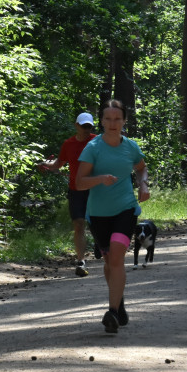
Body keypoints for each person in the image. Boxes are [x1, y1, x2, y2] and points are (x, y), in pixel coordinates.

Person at [75, 99, 150, 333]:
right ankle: (120, 301)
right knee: (109, 263)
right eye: (108, 118)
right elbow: (78, 183)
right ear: (102, 121)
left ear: (124, 121)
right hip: (98, 214)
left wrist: (143, 185)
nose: (113, 123)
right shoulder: (93, 148)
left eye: (117, 118)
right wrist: (99, 179)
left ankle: (112, 312)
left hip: (125, 209)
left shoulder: (130, 146)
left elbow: (141, 167)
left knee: (117, 257)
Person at [40, 112, 97, 276]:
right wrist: (45, 164)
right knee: (79, 224)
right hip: (76, 190)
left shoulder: (97, 141)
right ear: (76, 126)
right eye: (84, 126)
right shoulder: (68, 144)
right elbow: (59, 164)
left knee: (96, 223)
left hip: (95, 188)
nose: (87, 129)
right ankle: (81, 261)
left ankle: (101, 246)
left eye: (89, 126)